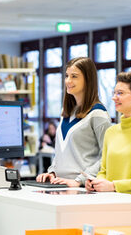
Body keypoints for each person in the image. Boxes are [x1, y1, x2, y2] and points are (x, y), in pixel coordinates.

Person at [36, 57, 111, 187]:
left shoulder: (98, 114)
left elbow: (106, 156)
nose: (68, 81)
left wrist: (78, 180)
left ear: (88, 80)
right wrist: (52, 172)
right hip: (60, 184)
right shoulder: (66, 111)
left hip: (83, 188)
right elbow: (62, 152)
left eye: (74, 76)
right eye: (67, 76)